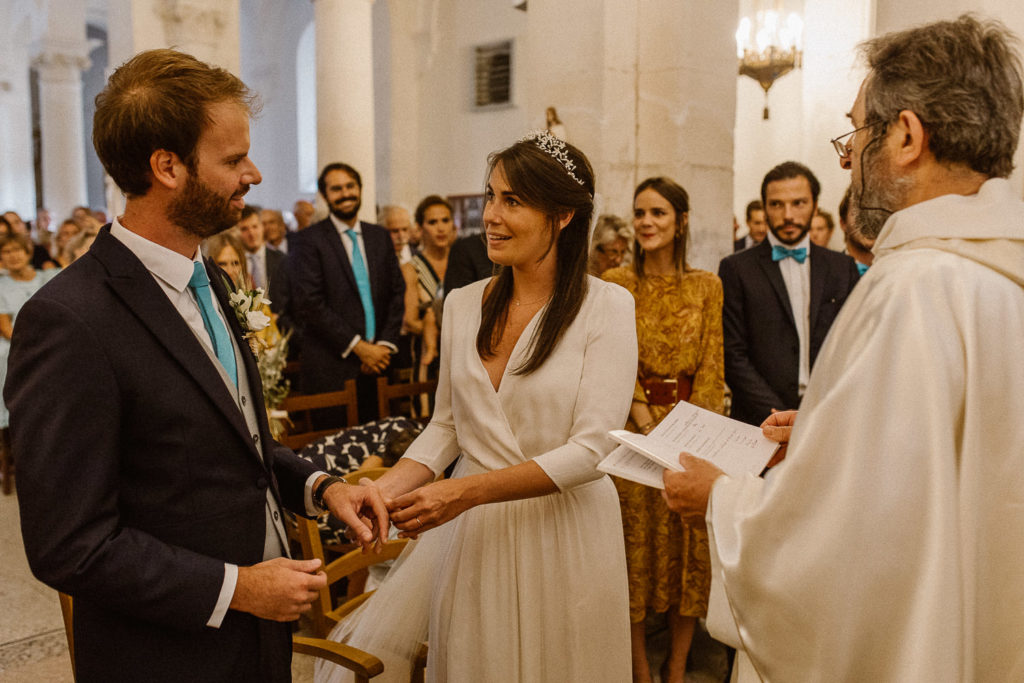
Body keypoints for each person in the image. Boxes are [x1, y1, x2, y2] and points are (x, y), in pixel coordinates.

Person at [5, 48, 388, 682]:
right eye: (234, 159)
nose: (255, 173)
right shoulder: (69, 320)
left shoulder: (207, 277)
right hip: (166, 655)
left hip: (258, 640)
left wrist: (324, 488)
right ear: (168, 167)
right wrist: (237, 589)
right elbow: (69, 545)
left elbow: (238, 442)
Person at [663, 15, 1024, 682]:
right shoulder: (1002, 271)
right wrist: (833, 432)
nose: (845, 154)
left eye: (857, 131)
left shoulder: (913, 287)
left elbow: (845, 553)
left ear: (907, 136)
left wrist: (720, 498)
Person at [316, 132, 637, 683]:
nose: (490, 216)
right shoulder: (463, 304)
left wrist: (463, 492)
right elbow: (446, 426)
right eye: (490, 196)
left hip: (563, 528)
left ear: (562, 216)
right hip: (477, 536)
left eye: (512, 201)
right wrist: (384, 489)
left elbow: (593, 450)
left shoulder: (606, 307)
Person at [602, 177, 724, 683]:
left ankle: (676, 668)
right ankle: (638, 671)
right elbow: (613, 360)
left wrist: (696, 437)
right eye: (640, 213)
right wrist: (649, 424)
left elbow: (713, 365)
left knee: (686, 552)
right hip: (634, 434)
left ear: (681, 222)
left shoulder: (706, 285)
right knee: (633, 553)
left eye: (658, 214)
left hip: (690, 435)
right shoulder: (615, 283)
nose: (647, 223)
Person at [718, 162, 860, 425]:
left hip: (826, 417)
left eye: (798, 203)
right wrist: (778, 415)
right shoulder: (736, 268)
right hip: (758, 420)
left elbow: (852, 343)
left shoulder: (842, 267)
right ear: (764, 207)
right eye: (776, 205)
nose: (788, 215)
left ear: (815, 206)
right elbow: (732, 354)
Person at [290, 162, 405, 423]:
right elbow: (310, 304)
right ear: (325, 195)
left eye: (350, 186)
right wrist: (360, 348)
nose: (345, 194)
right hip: (333, 370)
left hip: (381, 367)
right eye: (336, 189)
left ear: (360, 189)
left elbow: (397, 294)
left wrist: (383, 347)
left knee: (384, 451)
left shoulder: (380, 237)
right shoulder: (308, 241)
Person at [0, 234, 60, 428]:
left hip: (53, 338)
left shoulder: (48, 276)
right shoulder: (2, 285)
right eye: (6, 252)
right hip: (17, 343)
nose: (12, 256)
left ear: (27, 252)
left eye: (16, 250)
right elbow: (5, 327)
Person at [402, 195, 455, 381]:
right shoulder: (411, 268)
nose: (440, 228)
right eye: (432, 222)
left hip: (463, 357)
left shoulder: (462, 261)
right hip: (426, 358)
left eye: (445, 220)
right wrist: (446, 335)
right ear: (420, 228)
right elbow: (410, 321)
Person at [838, 186, 874, 274]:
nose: (868, 220)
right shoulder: (827, 273)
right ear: (843, 224)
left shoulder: (899, 271)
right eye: (858, 213)